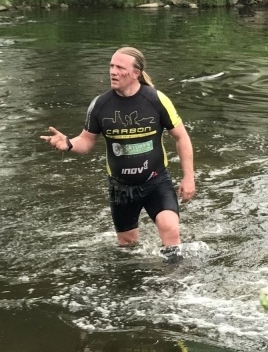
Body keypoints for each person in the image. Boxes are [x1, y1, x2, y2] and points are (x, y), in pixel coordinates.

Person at [40, 46, 195, 260]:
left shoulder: (157, 100)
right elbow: (86, 141)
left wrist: (189, 177)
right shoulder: (101, 105)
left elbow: (182, 137)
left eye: (120, 67)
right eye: (111, 66)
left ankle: (176, 285)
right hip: (121, 188)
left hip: (156, 182)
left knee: (170, 229)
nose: (113, 71)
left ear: (135, 73)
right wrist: (68, 144)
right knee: (127, 244)